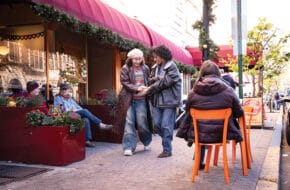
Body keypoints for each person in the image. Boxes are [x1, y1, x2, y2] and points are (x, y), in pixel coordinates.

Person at [177, 60, 243, 169]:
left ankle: (198, 161)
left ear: (202, 73)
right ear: (218, 73)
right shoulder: (229, 90)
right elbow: (238, 112)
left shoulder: (193, 92)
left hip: (200, 134)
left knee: (201, 126)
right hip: (223, 133)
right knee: (206, 126)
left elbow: (188, 111)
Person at [114, 48, 153, 156]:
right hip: (128, 100)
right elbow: (125, 82)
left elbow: (149, 81)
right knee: (129, 123)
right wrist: (137, 88)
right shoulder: (125, 68)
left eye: (140, 58)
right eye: (135, 59)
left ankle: (146, 142)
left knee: (142, 123)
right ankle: (128, 147)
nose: (137, 61)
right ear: (130, 58)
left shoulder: (145, 68)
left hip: (141, 100)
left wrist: (147, 88)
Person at [146, 45, 182, 158]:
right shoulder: (154, 67)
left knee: (166, 125)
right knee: (157, 125)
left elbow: (166, 82)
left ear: (162, 56)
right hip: (156, 101)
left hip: (169, 101)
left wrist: (151, 87)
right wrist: (154, 80)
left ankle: (167, 149)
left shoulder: (172, 67)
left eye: (156, 57)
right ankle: (167, 139)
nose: (154, 59)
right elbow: (153, 80)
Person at [54, 83, 113, 147]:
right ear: (60, 91)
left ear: (68, 90)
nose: (64, 91)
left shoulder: (70, 99)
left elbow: (78, 107)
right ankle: (100, 124)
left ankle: (87, 140)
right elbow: (58, 110)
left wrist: (78, 111)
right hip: (68, 116)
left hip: (75, 114)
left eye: (65, 89)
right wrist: (70, 110)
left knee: (86, 119)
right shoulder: (58, 98)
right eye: (62, 90)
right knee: (85, 111)